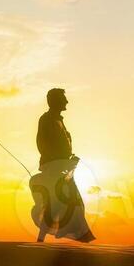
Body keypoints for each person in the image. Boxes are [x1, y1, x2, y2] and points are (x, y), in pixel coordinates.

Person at [30, 88, 95, 243]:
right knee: (59, 202)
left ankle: (44, 238)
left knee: (64, 203)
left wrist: (69, 159)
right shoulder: (46, 119)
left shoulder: (58, 120)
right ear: (55, 101)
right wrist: (57, 161)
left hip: (64, 167)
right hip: (54, 168)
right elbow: (42, 143)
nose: (66, 102)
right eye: (63, 99)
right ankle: (43, 239)